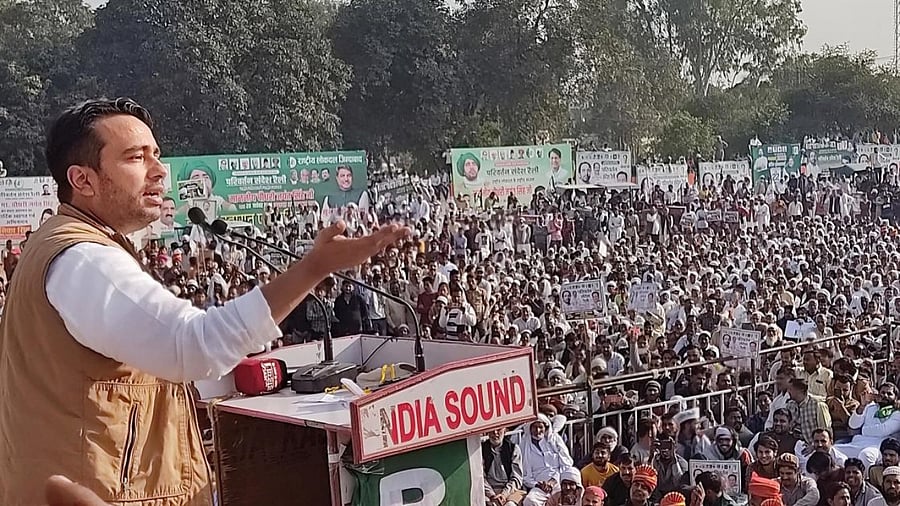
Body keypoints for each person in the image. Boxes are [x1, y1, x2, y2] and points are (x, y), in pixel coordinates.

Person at [0, 98, 409, 505]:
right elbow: (193, 347)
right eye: (135, 158)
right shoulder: (84, 259)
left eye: (156, 155)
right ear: (83, 180)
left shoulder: (68, 246)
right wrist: (312, 269)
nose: (159, 171)